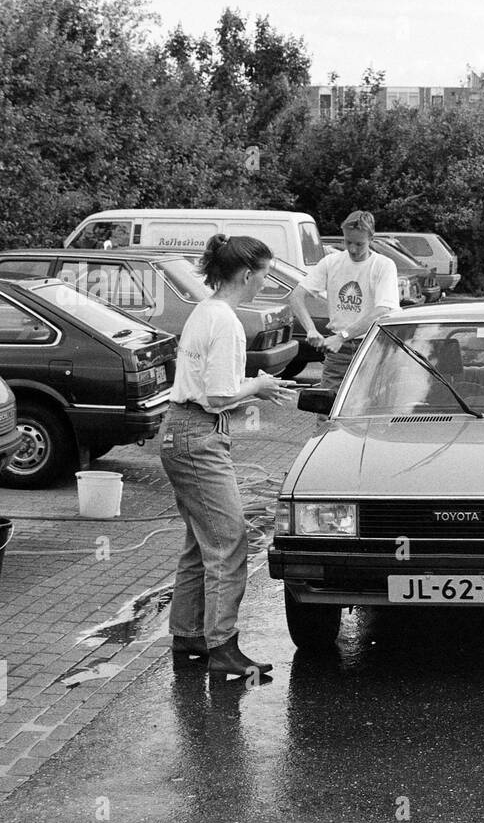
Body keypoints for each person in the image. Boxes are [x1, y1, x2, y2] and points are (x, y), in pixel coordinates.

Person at [162, 235, 297, 679]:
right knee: (229, 541)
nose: (265, 281)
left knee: (200, 542)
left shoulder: (206, 310)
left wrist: (254, 384)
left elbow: (211, 381)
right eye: (264, 273)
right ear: (246, 274)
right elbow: (219, 395)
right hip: (198, 435)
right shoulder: (226, 321)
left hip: (181, 430)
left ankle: (187, 634)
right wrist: (257, 386)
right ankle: (223, 645)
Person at [287, 210, 399, 404]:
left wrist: (342, 336)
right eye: (348, 242)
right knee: (326, 408)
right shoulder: (331, 262)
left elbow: (383, 310)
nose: (353, 249)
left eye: (359, 244)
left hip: (374, 345)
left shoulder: (383, 265)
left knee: (369, 407)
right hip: (338, 352)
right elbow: (297, 296)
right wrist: (311, 329)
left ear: (371, 238)